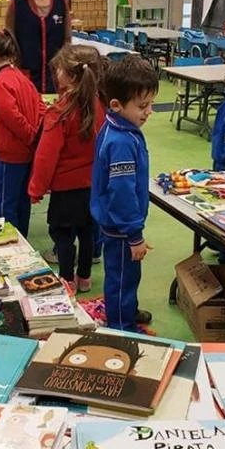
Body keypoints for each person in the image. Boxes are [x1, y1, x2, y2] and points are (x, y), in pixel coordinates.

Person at [28, 45, 105, 293]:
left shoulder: (60, 111)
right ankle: (85, 278)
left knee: (63, 236)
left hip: (66, 190)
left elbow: (46, 156)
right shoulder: (101, 106)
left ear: (70, 75)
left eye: (59, 69)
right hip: (93, 187)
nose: (56, 72)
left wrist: (36, 188)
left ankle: (66, 279)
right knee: (87, 232)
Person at [91, 55, 159, 332]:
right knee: (121, 278)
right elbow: (121, 192)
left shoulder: (120, 128)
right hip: (121, 227)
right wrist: (134, 235)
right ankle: (121, 325)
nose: (149, 111)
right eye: (142, 106)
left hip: (120, 223)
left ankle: (127, 310)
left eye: (151, 104)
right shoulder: (120, 142)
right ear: (116, 105)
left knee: (129, 275)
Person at [0, 30, 45, 238]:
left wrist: (30, 137)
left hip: (11, 155)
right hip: (27, 153)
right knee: (22, 203)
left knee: (4, 205)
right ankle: (22, 242)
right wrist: (35, 140)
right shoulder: (23, 78)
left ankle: (7, 245)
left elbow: (12, 117)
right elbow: (41, 108)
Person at [6, 0, 71, 94]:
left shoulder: (61, 2)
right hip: (25, 77)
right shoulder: (17, 4)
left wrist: (63, 68)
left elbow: (67, 40)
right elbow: (9, 39)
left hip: (56, 78)